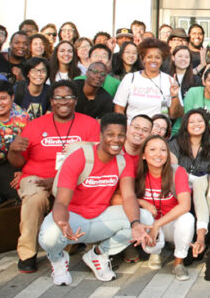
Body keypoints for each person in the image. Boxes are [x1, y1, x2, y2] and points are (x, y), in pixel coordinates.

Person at [37, 113, 153, 285]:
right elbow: (61, 201)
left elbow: (128, 196)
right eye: (110, 135)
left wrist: (135, 224)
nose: (116, 140)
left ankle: (98, 255)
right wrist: (62, 222)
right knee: (49, 236)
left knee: (145, 219)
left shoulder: (124, 160)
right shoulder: (79, 157)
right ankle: (58, 259)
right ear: (100, 136)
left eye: (121, 135)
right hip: (72, 219)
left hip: (100, 217)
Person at [7, 81, 100, 273]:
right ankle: (27, 253)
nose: (63, 102)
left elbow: (96, 160)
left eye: (68, 97)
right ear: (51, 101)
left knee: (78, 196)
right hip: (37, 178)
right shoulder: (35, 125)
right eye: (58, 98)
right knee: (35, 198)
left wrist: (58, 181)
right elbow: (18, 162)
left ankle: (64, 247)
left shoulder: (90, 124)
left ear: (76, 100)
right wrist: (13, 151)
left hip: (75, 179)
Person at [135, 135, 194, 280]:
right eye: (153, 149)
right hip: (149, 225)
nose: (158, 154)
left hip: (170, 225)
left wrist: (158, 224)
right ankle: (155, 253)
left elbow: (185, 205)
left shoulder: (177, 171)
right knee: (143, 213)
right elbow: (124, 198)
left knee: (187, 218)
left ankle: (178, 263)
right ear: (143, 155)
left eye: (163, 150)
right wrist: (143, 202)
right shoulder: (138, 174)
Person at [114, 38, 182, 122]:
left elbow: (174, 115)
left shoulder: (169, 81)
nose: (153, 60)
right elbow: (119, 108)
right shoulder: (130, 78)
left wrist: (174, 96)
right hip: (134, 131)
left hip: (158, 131)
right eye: (149, 57)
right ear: (143, 59)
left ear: (162, 60)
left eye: (157, 57)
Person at [182, 65, 210, 138]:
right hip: (185, 133)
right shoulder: (193, 92)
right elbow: (186, 119)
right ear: (204, 82)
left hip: (205, 137)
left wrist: (202, 142)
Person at [170, 109, 210, 177]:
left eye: (200, 121)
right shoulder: (175, 144)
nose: (196, 124)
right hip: (177, 184)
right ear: (185, 125)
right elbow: (172, 169)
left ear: (205, 124)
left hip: (201, 186)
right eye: (191, 122)